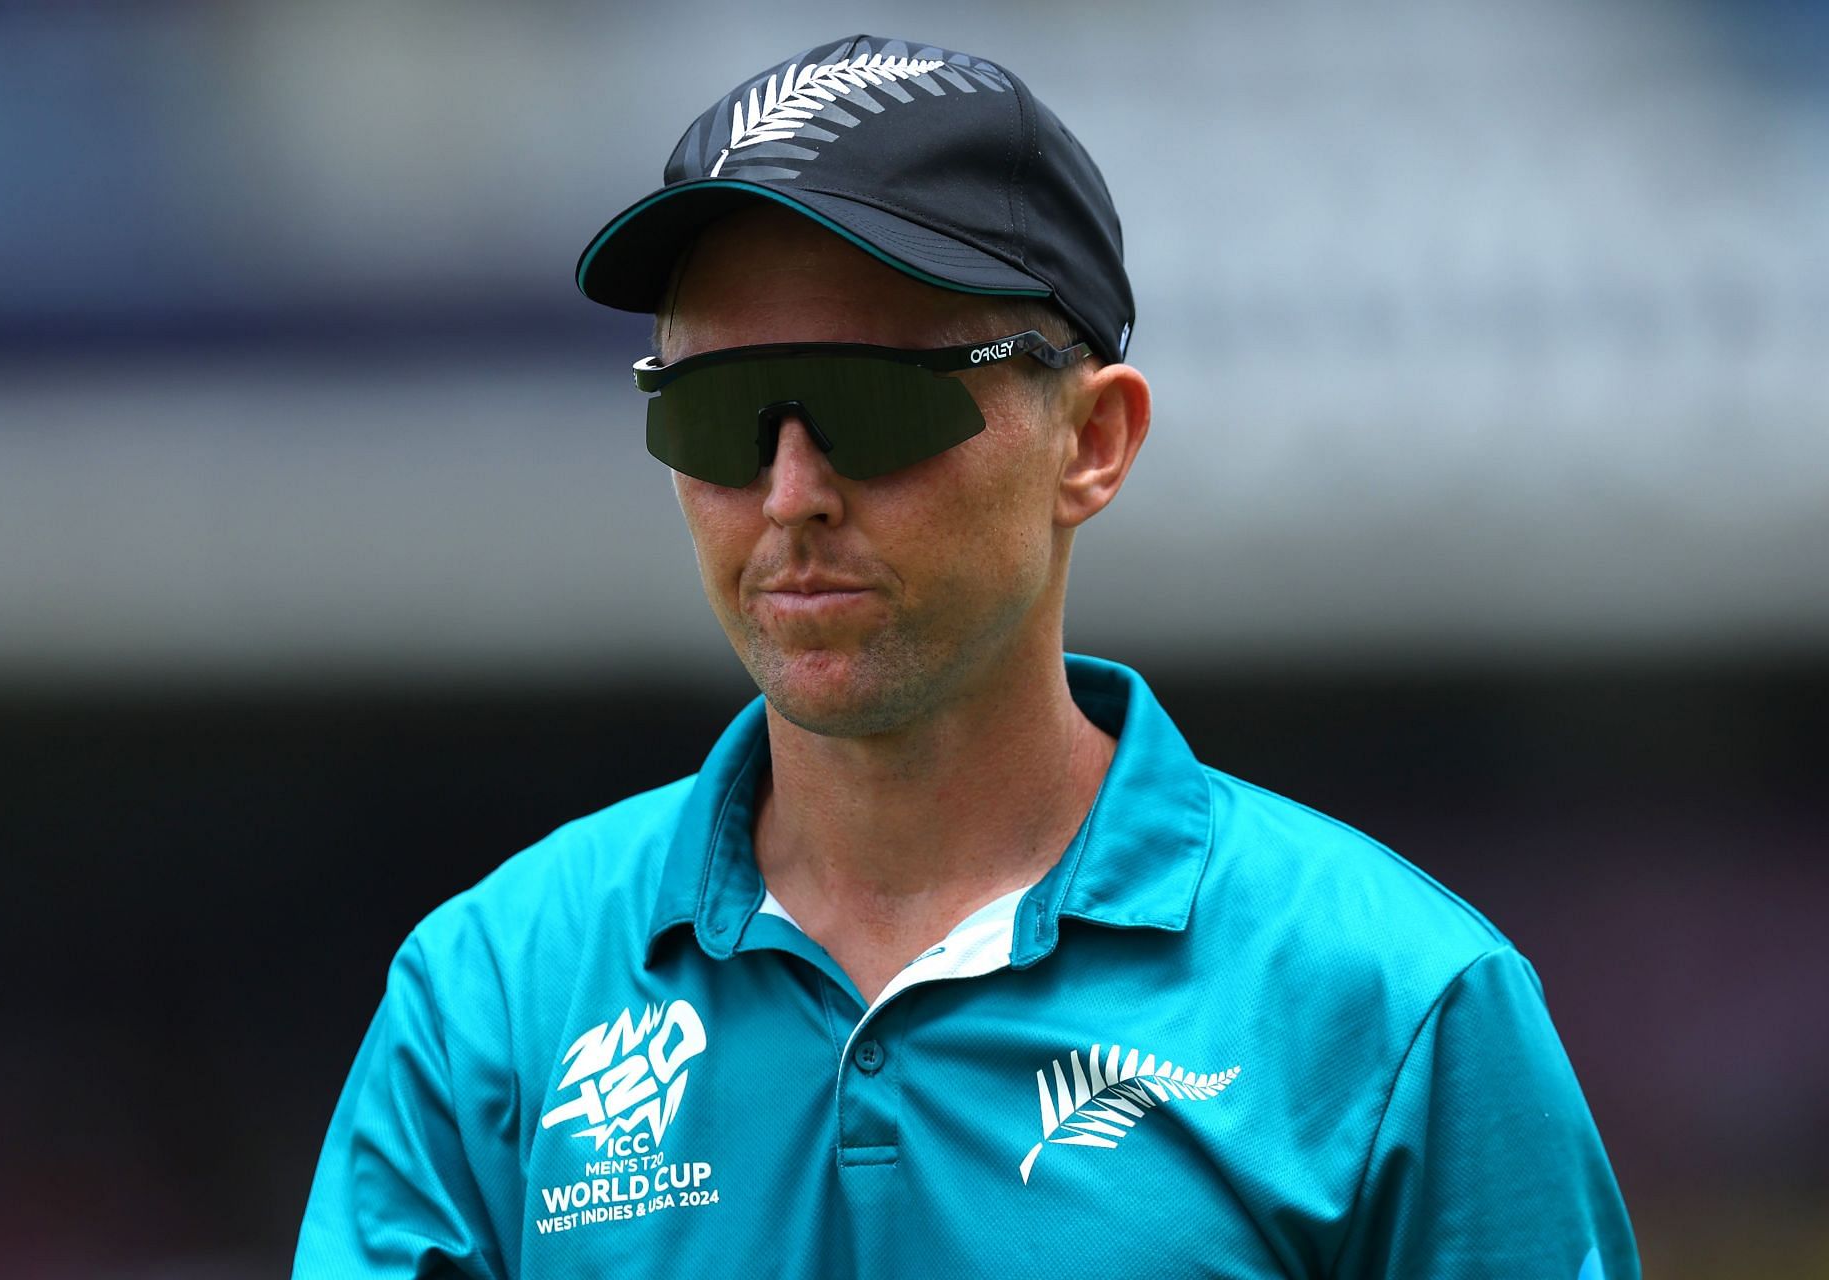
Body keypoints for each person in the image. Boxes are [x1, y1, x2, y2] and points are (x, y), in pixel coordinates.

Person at [295, 34, 1639, 1279]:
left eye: (874, 400)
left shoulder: (1393, 1008)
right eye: (714, 413)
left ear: (1092, 442)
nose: (790, 492)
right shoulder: (492, 997)